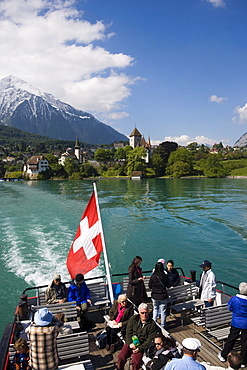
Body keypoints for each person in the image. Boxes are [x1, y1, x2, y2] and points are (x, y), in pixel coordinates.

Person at [117, 303, 157, 370]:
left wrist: (139, 348)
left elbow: (150, 339)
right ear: (139, 312)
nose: (144, 315)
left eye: (146, 313)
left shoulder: (152, 324)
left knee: (136, 362)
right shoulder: (134, 319)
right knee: (121, 356)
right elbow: (128, 332)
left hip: (141, 345)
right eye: (142, 313)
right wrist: (130, 343)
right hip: (131, 342)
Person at [218, 282, 247, 367]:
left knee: (231, 338)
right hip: (246, 323)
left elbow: (230, 308)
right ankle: (244, 361)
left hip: (236, 322)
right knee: (245, 342)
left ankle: (224, 355)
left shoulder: (234, 299)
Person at [149, 262, 171, 328]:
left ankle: (154, 323)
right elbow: (168, 285)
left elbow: (150, 286)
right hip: (163, 296)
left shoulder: (153, 276)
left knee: (155, 309)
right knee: (163, 311)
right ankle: (163, 325)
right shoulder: (165, 276)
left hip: (155, 295)